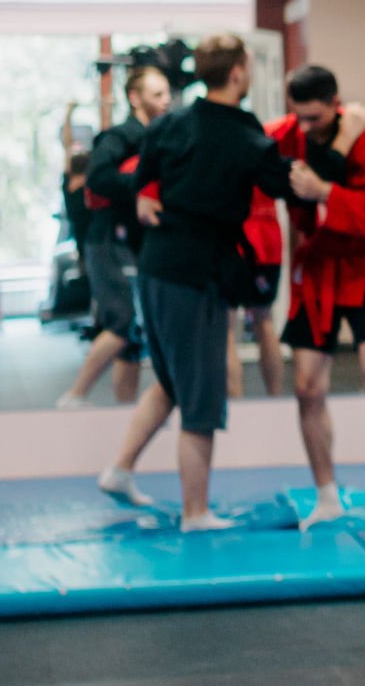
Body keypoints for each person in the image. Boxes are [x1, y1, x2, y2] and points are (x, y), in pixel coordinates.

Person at [96, 35, 300, 531]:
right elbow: (282, 183)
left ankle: (119, 470)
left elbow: (142, 171)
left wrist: (143, 194)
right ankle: (195, 512)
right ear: (238, 73)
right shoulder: (244, 132)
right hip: (195, 275)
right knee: (202, 398)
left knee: (171, 381)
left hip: (156, 267)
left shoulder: (172, 122)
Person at [270, 65, 365, 531]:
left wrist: (325, 193)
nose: (306, 126)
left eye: (315, 118)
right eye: (299, 116)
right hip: (317, 267)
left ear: (335, 105)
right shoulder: (287, 134)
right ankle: (326, 497)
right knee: (307, 388)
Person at [58, 67, 172, 407]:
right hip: (109, 241)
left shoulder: (162, 137)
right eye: (157, 95)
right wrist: (142, 188)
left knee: (134, 336)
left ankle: (126, 412)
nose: (166, 101)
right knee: (122, 323)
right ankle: (74, 396)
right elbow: (97, 178)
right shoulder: (119, 138)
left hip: (137, 243)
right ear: (135, 98)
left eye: (167, 93)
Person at [226, 189, 285, 399]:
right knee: (264, 320)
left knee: (227, 328)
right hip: (266, 238)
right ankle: (275, 399)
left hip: (234, 235)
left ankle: (236, 402)